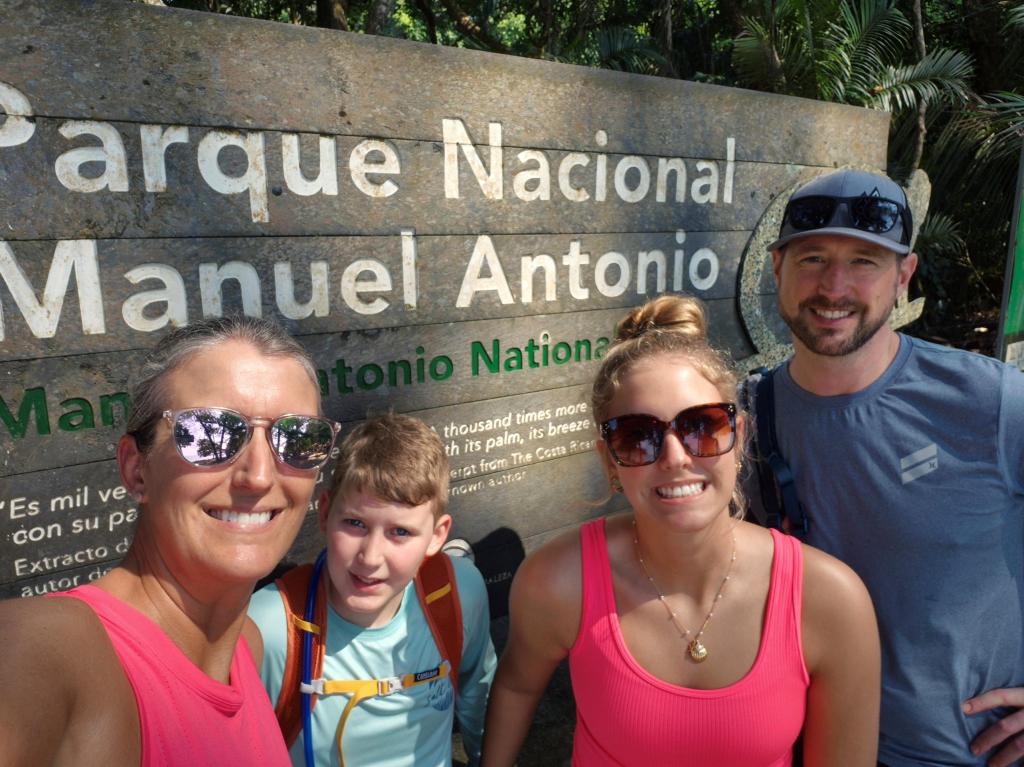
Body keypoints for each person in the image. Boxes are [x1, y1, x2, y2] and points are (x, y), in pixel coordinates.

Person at [481, 295, 880, 766]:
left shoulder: (829, 598)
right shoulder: (558, 581)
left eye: (703, 426)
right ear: (609, 460)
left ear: (740, 437)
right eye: (637, 435)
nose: (674, 457)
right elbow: (515, 685)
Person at [750, 167, 1024, 767]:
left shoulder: (992, 404)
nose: (834, 286)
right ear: (777, 269)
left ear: (904, 276)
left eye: (866, 262)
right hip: (815, 745)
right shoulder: (747, 418)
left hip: (970, 752)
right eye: (813, 257)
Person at [0, 316, 340, 766]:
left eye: (298, 439)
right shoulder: (42, 651)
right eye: (209, 433)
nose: (259, 476)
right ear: (136, 470)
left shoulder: (247, 647)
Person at [248, 413, 497, 767]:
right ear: (324, 514)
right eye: (355, 523)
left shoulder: (457, 593)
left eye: (400, 532)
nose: (370, 557)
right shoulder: (271, 628)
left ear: (437, 536)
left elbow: (478, 689)